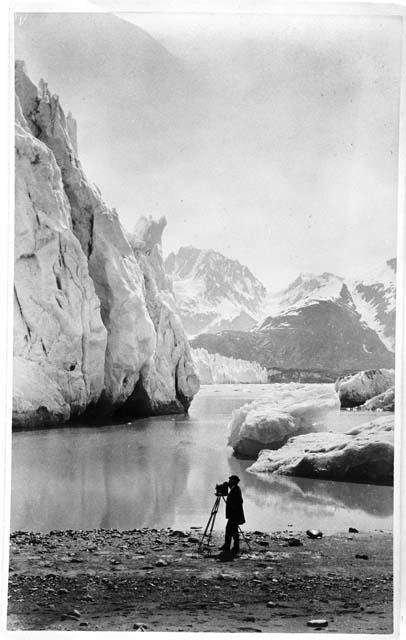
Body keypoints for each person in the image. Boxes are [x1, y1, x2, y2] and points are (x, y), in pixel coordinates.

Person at [219, 475, 245, 556]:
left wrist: (233, 507)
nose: (229, 481)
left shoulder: (236, 489)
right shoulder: (235, 488)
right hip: (234, 514)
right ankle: (231, 546)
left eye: (230, 480)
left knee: (231, 530)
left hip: (234, 514)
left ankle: (232, 547)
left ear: (234, 481)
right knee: (232, 530)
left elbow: (240, 501)